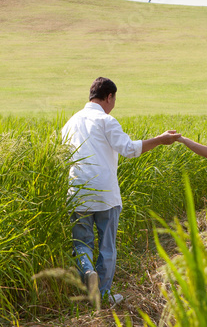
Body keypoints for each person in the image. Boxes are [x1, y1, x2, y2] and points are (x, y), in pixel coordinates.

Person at [61, 77, 180, 308]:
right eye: (114, 100)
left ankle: (88, 274)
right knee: (107, 245)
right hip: (105, 193)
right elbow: (128, 149)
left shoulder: (70, 123)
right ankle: (103, 294)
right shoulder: (106, 120)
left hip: (77, 192)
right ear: (109, 97)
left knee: (81, 242)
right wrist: (160, 139)